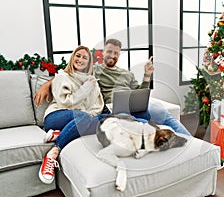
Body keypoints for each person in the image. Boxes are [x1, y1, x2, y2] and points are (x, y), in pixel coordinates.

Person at [34, 38, 191, 136]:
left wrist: (147, 75)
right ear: (103, 53)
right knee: (135, 120)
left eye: (116, 53)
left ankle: (189, 143)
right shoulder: (94, 69)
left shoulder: (126, 73)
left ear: (119, 54)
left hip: (131, 104)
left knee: (162, 112)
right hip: (111, 107)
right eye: (109, 52)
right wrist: (47, 84)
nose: (112, 55)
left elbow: (139, 92)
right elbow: (72, 73)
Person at [38, 45, 107, 184]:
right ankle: (53, 153)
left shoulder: (92, 81)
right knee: (84, 118)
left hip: (81, 118)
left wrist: (92, 113)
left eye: (84, 57)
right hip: (57, 116)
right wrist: (85, 89)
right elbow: (65, 103)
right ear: (72, 57)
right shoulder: (62, 76)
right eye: (78, 55)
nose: (80, 59)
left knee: (105, 120)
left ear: (89, 62)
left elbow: (98, 105)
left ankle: (61, 132)